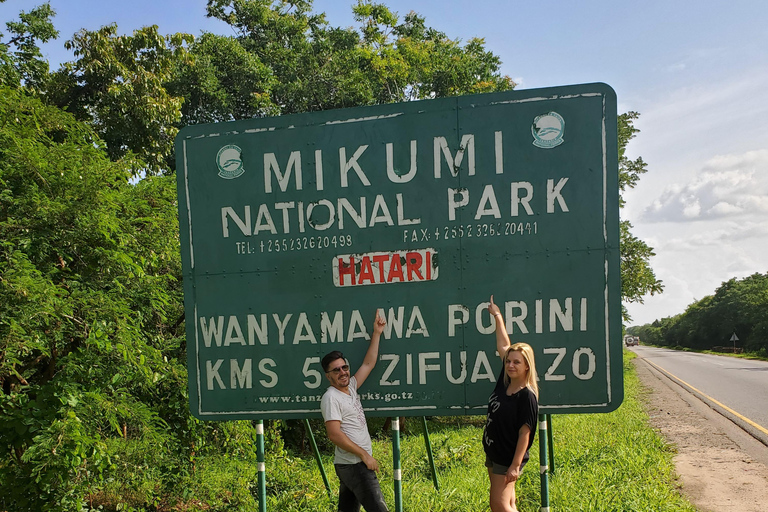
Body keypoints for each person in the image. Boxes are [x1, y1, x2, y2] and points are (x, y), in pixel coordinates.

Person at [320, 311, 389, 512]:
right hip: (354, 465)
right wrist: (365, 456)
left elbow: (369, 363)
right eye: (336, 370)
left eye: (344, 367)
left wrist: (377, 333)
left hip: (350, 464)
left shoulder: (350, 387)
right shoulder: (331, 397)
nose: (343, 372)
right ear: (328, 376)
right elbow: (334, 434)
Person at [484, 295, 539, 512]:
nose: (510, 365)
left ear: (527, 366)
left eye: (517, 362)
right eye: (509, 361)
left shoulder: (527, 395)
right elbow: (504, 345)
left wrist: (515, 466)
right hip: (494, 452)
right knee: (508, 502)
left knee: (498, 504)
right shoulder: (504, 382)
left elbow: (525, 433)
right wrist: (497, 316)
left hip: (507, 458)